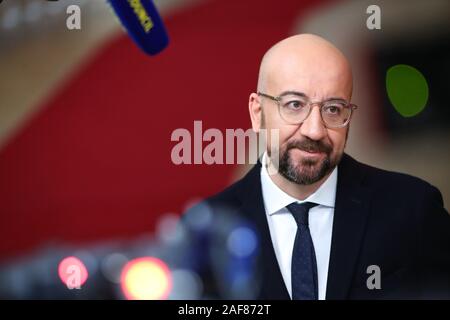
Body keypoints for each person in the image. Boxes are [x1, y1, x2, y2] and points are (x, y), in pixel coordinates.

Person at [181, 34, 450, 300]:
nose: (314, 130)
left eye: (333, 109)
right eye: (295, 105)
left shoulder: (414, 209)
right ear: (257, 112)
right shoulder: (206, 233)